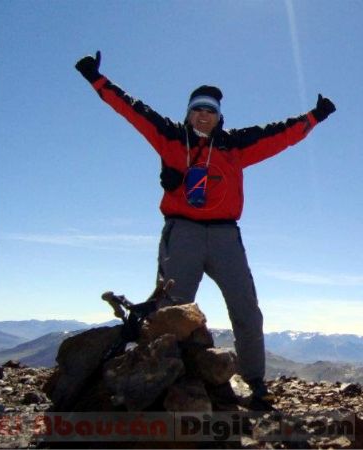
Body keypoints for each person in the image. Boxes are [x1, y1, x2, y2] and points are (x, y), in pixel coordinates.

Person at [75, 51, 335, 407]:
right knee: (170, 310)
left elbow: (281, 135)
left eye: (209, 110)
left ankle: (255, 382)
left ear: (218, 116)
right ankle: (157, 380)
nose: (203, 115)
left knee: (245, 308)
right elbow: (130, 109)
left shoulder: (235, 145)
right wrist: (96, 79)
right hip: (183, 234)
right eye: (197, 108)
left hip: (226, 235)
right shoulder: (169, 137)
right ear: (188, 112)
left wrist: (314, 117)